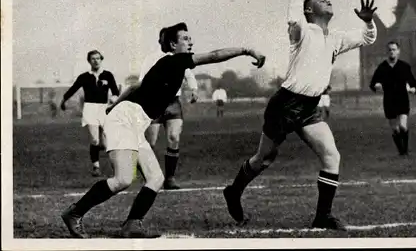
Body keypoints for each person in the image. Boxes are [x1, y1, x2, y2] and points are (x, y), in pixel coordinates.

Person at [61, 23, 266, 238]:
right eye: (185, 39)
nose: (191, 42)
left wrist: (113, 106)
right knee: (123, 179)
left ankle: (132, 224)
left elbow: (133, 87)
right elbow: (214, 55)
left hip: (133, 122)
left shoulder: (167, 65)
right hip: (125, 120)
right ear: (172, 44)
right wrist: (247, 50)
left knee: (156, 178)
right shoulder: (175, 60)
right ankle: (74, 213)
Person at [223, 0, 378, 231]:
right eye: (321, 0)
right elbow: (293, 13)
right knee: (264, 159)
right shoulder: (302, 31)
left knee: (332, 156)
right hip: (285, 104)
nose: (327, 1)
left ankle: (323, 216)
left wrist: (368, 21)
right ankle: (234, 191)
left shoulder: (337, 37)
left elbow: (367, 38)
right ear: (309, 11)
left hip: (309, 108)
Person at [139, 24, 199, 190]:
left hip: (173, 103)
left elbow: (188, 73)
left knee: (174, 138)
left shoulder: (180, 57)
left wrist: (194, 89)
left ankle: (170, 178)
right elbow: (142, 81)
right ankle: (150, 177)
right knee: (150, 142)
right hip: (155, 103)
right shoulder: (152, 58)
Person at [60, 50, 120, 176]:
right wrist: (64, 100)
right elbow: (73, 89)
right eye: (93, 58)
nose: (96, 61)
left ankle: (116, 166)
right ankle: (96, 167)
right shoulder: (84, 77)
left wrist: (114, 98)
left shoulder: (108, 75)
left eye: (98, 58)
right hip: (90, 109)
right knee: (94, 140)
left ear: (101, 59)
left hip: (105, 109)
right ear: (89, 61)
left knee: (106, 142)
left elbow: (115, 92)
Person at [369, 41, 416, 156]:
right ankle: (401, 150)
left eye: (394, 49)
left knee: (402, 126)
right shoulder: (382, 67)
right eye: (390, 49)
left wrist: (413, 88)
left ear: (398, 51)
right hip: (389, 100)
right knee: (395, 129)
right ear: (387, 52)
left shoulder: (404, 66)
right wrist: (377, 86)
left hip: (402, 99)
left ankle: (404, 151)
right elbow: (373, 83)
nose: (392, 52)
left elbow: (413, 82)